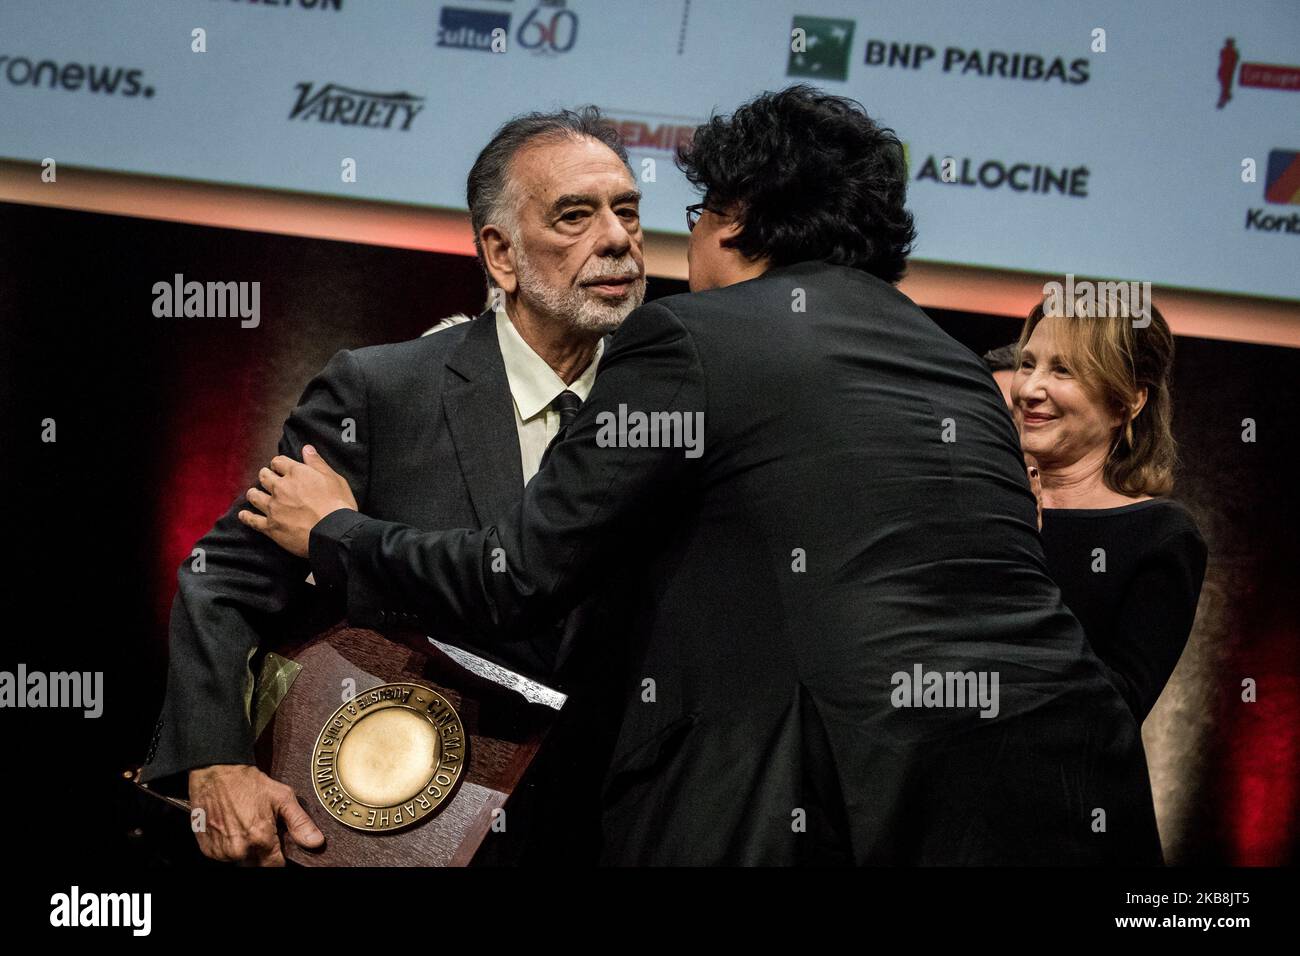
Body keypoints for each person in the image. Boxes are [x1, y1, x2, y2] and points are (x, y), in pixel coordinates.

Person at [242, 85, 1164, 865]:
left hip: (830, 802)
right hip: (1066, 787)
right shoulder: (959, 366)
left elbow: (518, 575)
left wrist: (333, 531)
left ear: (737, 219)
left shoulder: (689, 338)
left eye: (688, 217)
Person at [139, 106, 647, 865]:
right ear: (501, 255)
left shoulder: (676, 399)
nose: (616, 239)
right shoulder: (383, 390)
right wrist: (215, 763)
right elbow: (225, 583)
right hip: (399, 824)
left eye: (628, 212)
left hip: (613, 832)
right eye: (576, 215)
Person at [1012, 298, 1207, 722]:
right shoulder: (983, 500)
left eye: (1062, 370)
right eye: (1028, 364)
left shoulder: (1161, 534)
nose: (1028, 389)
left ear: (1127, 403)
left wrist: (1022, 552)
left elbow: (1113, 710)